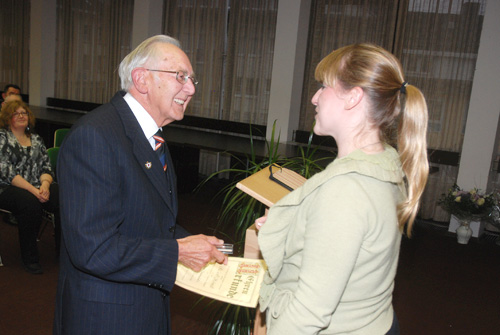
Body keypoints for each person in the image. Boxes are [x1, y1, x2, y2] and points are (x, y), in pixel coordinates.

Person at [53, 35, 228, 335]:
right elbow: (94, 250)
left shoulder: (151, 135)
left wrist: (197, 242)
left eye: (192, 78)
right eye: (180, 76)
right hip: (106, 318)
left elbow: (151, 223)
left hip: (143, 306)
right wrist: (178, 252)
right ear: (142, 79)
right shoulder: (95, 137)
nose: (191, 88)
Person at [255, 43, 429, 334]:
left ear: (352, 97)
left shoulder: (345, 191)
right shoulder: (382, 164)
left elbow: (309, 313)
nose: (315, 97)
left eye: (324, 86)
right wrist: (294, 224)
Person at [0, 100, 61, 274]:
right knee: (29, 203)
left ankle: (63, 252)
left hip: (37, 185)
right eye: (16, 113)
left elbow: (46, 167)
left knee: (61, 197)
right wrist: (34, 190)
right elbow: (7, 172)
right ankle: (30, 258)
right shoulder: (2, 138)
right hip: (7, 187)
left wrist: (45, 185)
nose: (21, 116)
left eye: (24, 113)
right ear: (8, 118)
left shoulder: (36, 139)